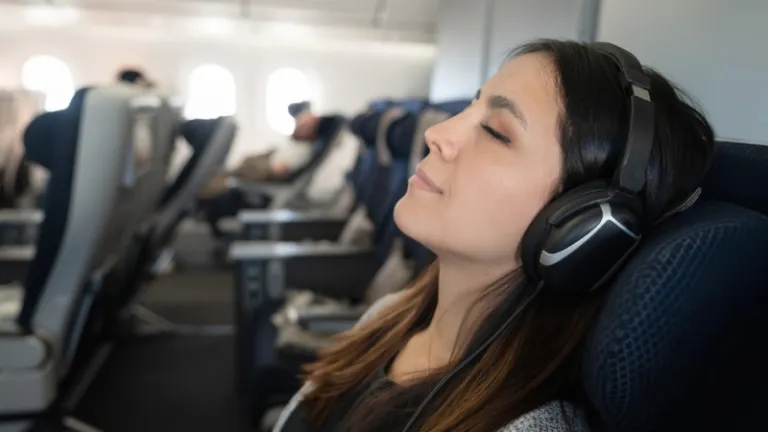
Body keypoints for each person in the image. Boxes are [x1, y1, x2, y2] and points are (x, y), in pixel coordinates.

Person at [272, 39, 715, 432]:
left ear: (583, 226)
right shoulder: (388, 316)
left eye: (495, 131)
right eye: (470, 107)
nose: (436, 134)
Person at [198, 101, 360, 238]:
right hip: (259, 172)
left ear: (313, 132)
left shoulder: (303, 152)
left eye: (305, 124)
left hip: (263, 185)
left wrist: (249, 167)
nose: (299, 125)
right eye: (300, 121)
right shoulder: (294, 144)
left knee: (218, 196)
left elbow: (277, 172)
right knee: (217, 184)